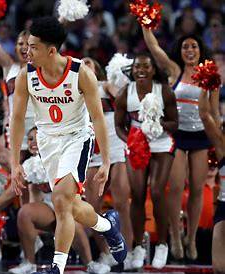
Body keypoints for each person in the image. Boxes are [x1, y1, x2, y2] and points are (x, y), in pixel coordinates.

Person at [10, 17, 127, 274]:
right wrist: (14, 163)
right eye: (26, 46)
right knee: (69, 206)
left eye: (33, 47)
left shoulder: (80, 73)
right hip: (47, 141)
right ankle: (108, 226)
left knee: (61, 200)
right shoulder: (25, 75)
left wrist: (106, 160)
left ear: (51, 50)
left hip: (76, 137)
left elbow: (98, 118)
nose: (26, 52)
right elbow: (17, 120)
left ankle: (57, 267)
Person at [0, 127, 110, 274]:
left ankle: (90, 263)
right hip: (50, 207)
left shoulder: (62, 158)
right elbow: (10, 193)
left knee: (71, 221)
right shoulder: (30, 165)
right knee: (24, 213)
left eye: (37, 138)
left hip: (73, 206)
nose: (33, 142)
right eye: (30, 139)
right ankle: (29, 263)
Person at [142, 26, 216, 260]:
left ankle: (191, 238)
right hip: (176, 135)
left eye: (194, 46)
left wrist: (218, 143)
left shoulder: (211, 76)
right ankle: (175, 234)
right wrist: (146, 24)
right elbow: (154, 48)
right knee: (174, 188)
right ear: (180, 52)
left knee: (197, 189)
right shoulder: (174, 70)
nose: (190, 50)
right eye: (185, 46)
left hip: (201, 137)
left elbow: (214, 113)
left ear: (200, 50)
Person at [114, 53, 178, 269]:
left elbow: (174, 123)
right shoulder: (125, 92)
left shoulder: (165, 91)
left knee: (158, 191)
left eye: (145, 67)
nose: (141, 70)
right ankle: (139, 246)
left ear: (153, 70)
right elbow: (118, 126)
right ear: (132, 71)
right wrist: (130, 140)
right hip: (136, 146)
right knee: (138, 195)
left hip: (161, 145)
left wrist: (159, 126)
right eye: (137, 67)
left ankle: (162, 244)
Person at [82, 57, 134, 269]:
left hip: (115, 148)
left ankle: (128, 252)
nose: (84, 66)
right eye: (81, 64)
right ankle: (106, 252)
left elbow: (124, 99)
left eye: (88, 63)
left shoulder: (105, 86)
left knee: (122, 203)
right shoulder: (74, 94)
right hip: (92, 153)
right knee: (93, 209)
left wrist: (110, 84)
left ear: (97, 69)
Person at [0, 16, 35, 155]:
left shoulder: (42, 67)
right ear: (15, 48)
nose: (24, 47)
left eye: (28, 44)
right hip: (15, 126)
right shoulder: (9, 67)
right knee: (15, 169)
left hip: (38, 124)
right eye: (20, 44)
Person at [198, 88, 224, 273]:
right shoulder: (223, 150)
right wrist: (205, 89)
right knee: (219, 268)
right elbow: (205, 116)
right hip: (223, 207)